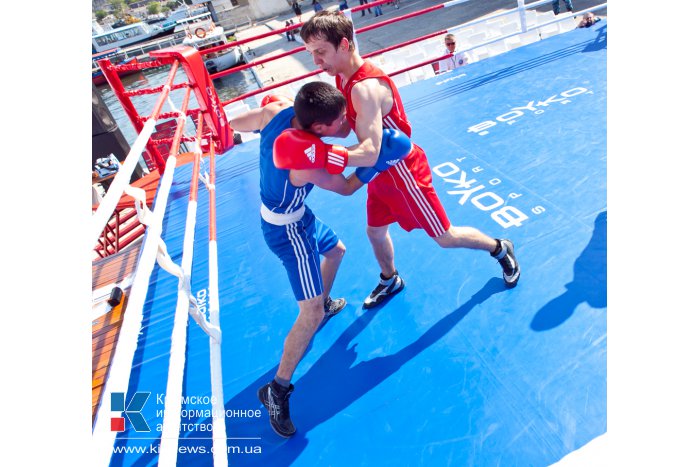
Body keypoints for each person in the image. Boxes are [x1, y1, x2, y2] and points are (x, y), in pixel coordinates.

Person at [301, 11, 520, 309]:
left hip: (404, 173)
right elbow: (352, 132)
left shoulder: (365, 89)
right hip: (379, 174)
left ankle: (498, 247)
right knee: (375, 232)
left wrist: (319, 155)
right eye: (312, 53)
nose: (316, 61)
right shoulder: (343, 77)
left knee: (445, 236)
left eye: (320, 52)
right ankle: (390, 279)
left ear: (343, 45)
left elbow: (371, 152)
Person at [229, 82, 412, 437]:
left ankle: (324, 304)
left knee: (337, 250)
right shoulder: (304, 164)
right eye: (341, 119)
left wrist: (224, 133)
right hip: (289, 231)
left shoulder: (277, 111)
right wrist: (376, 165)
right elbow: (344, 187)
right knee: (308, 313)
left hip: (294, 214)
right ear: (318, 128)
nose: (347, 121)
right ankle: (277, 389)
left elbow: (239, 123)